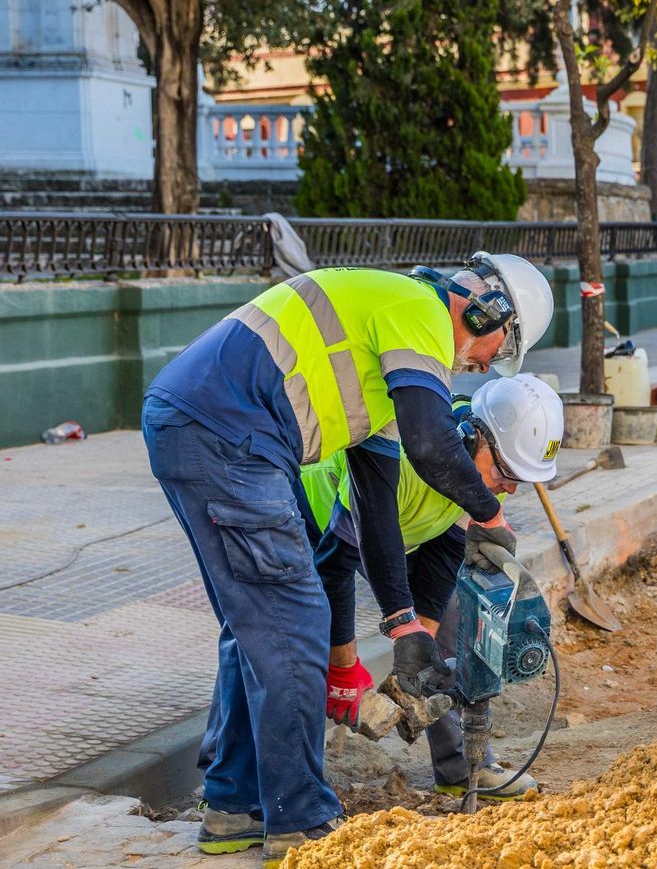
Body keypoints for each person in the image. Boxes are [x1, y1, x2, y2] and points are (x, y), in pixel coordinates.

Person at [143, 252, 551, 866]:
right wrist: (489, 517)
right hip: (230, 434)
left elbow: (374, 502)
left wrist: (403, 624)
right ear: (487, 310)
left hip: (205, 424)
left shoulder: (390, 354)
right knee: (293, 623)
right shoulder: (419, 314)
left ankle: (235, 806)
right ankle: (301, 821)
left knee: (254, 625)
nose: (488, 363)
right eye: (501, 347)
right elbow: (432, 442)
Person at [308, 374, 563, 803]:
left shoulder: (471, 472)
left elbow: (444, 554)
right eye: (507, 473)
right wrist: (343, 666)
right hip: (315, 519)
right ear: (477, 438)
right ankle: (251, 791)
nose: (511, 488)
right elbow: (336, 567)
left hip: (401, 530)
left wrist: (417, 658)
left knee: (448, 629)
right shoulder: (407, 459)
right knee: (283, 634)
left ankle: (465, 767)